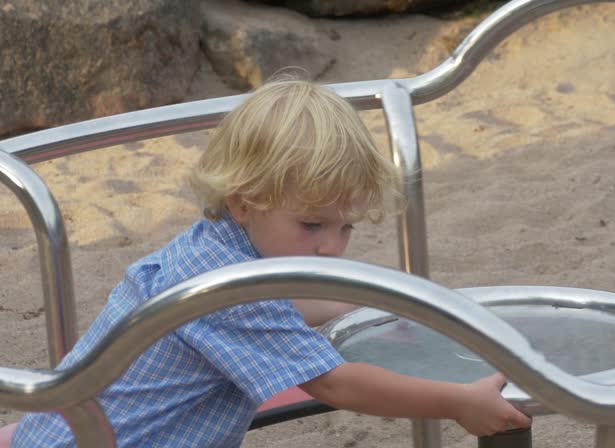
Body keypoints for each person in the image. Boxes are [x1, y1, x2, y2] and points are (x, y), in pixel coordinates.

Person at [11, 76, 530, 447]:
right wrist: (458, 401)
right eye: (312, 225)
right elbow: (334, 383)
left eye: (345, 227)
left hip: (62, 425)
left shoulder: (218, 245)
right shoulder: (222, 287)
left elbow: (300, 300)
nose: (332, 248)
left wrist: (393, 303)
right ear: (243, 200)